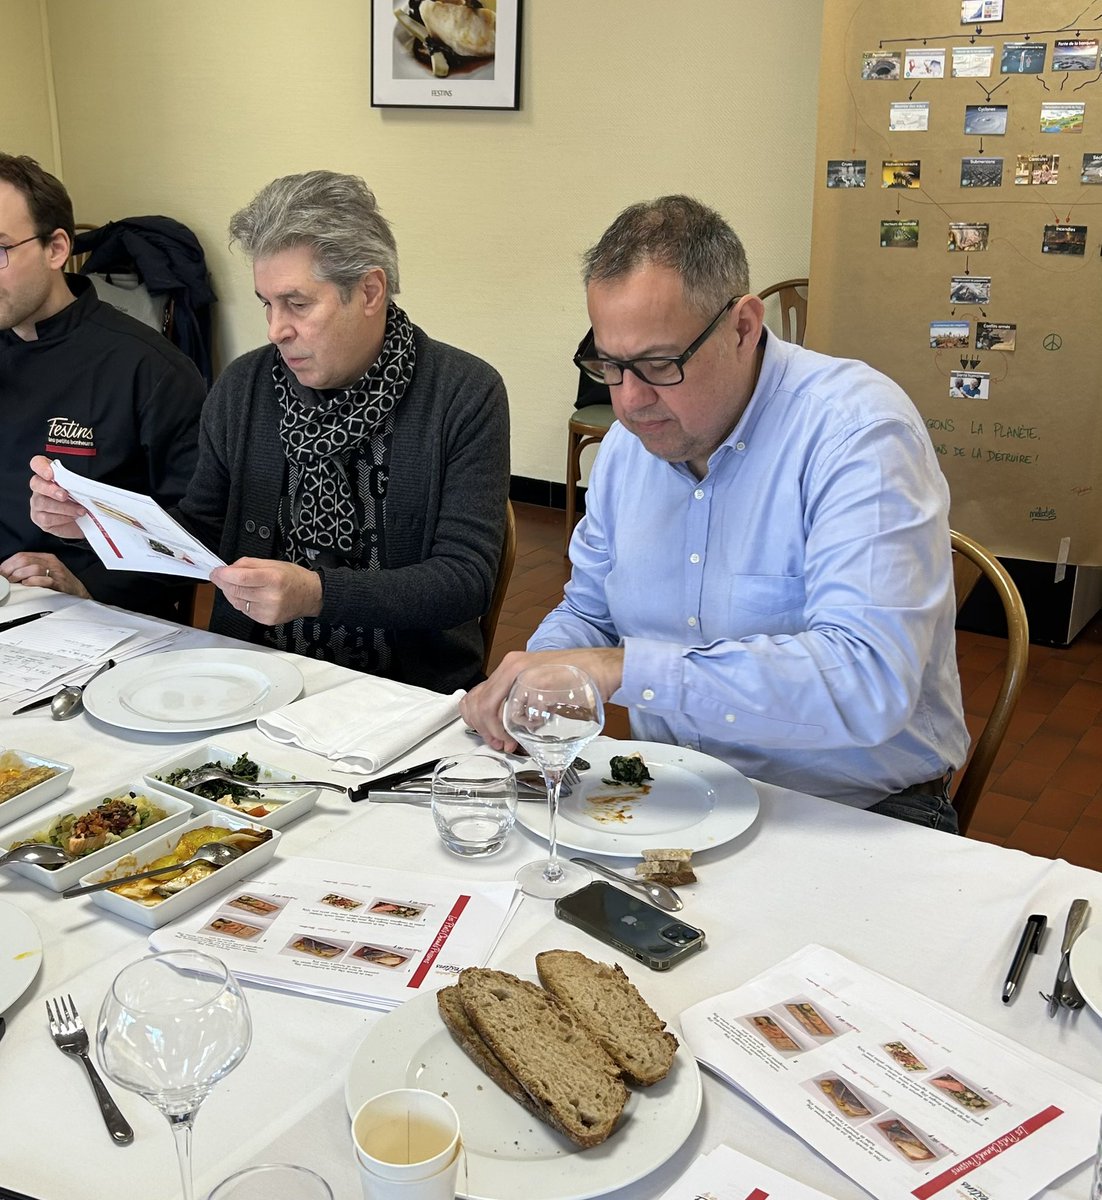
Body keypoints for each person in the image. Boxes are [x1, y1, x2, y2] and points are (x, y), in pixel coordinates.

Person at [461, 195, 968, 831]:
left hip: (852, 808)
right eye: (610, 367)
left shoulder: (857, 433)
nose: (630, 402)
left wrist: (623, 669)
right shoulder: (627, 451)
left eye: (658, 365)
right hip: (672, 791)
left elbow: (867, 682)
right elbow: (591, 611)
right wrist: (535, 683)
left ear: (743, 326)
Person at [32, 170, 508, 693]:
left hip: (406, 692)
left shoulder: (463, 392)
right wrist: (100, 522)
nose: (275, 328)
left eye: (298, 304)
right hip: (249, 672)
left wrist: (318, 593)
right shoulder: (246, 385)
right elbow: (204, 529)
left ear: (369, 290)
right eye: (267, 302)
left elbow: (465, 581)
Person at [0, 153, 205, 618]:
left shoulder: (149, 369)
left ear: (56, 249)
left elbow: (196, 532)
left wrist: (88, 585)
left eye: (0, 251)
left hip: (101, 616)